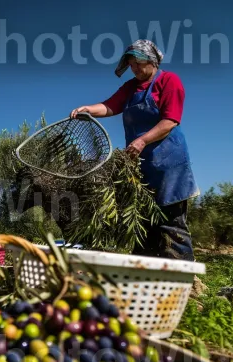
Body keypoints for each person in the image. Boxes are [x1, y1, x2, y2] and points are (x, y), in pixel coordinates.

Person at [69, 39, 199, 261]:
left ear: (153, 61)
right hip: (140, 164)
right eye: (131, 64)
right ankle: (146, 275)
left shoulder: (169, 81)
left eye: (139, 63)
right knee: (142, 221)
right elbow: (110, 106)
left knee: (171, 223)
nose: (135, 68)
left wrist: (142, 140)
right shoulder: (130, 87)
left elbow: (170, 121)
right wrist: (88, 109)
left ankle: (182, 276)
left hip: (169, 164)